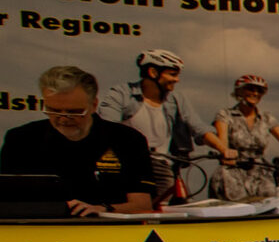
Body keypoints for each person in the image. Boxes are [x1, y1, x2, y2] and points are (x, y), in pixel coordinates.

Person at [1, 65, 158, 217]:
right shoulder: (20, 139)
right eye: (53, 110)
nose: (63, 119)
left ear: (94, 105)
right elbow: (7, 203)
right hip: (39, 236)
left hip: (108, 233)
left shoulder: (128, 140)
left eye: (74, 112)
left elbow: (142, 206)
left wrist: (102, 210)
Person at [98, 48, 207, 201]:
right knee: (134, 205)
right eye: (172, 74)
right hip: (130, 163)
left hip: (163, 163)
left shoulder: (176, 99)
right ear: (153, 72)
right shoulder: (122, 93)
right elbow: (107, 125)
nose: (177, 80)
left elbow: (198, 127)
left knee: (177, 202)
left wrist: (224, 149)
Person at [208, 74, 279, 201]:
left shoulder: (266, 118)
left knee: (272, 199)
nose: (255, 93)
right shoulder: (225, 115)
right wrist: (225, 154)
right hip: (233, 168)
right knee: (236, 204)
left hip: (259, 171)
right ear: (239, 91)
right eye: (250, 89)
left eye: (259, 91)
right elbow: (222, 142)